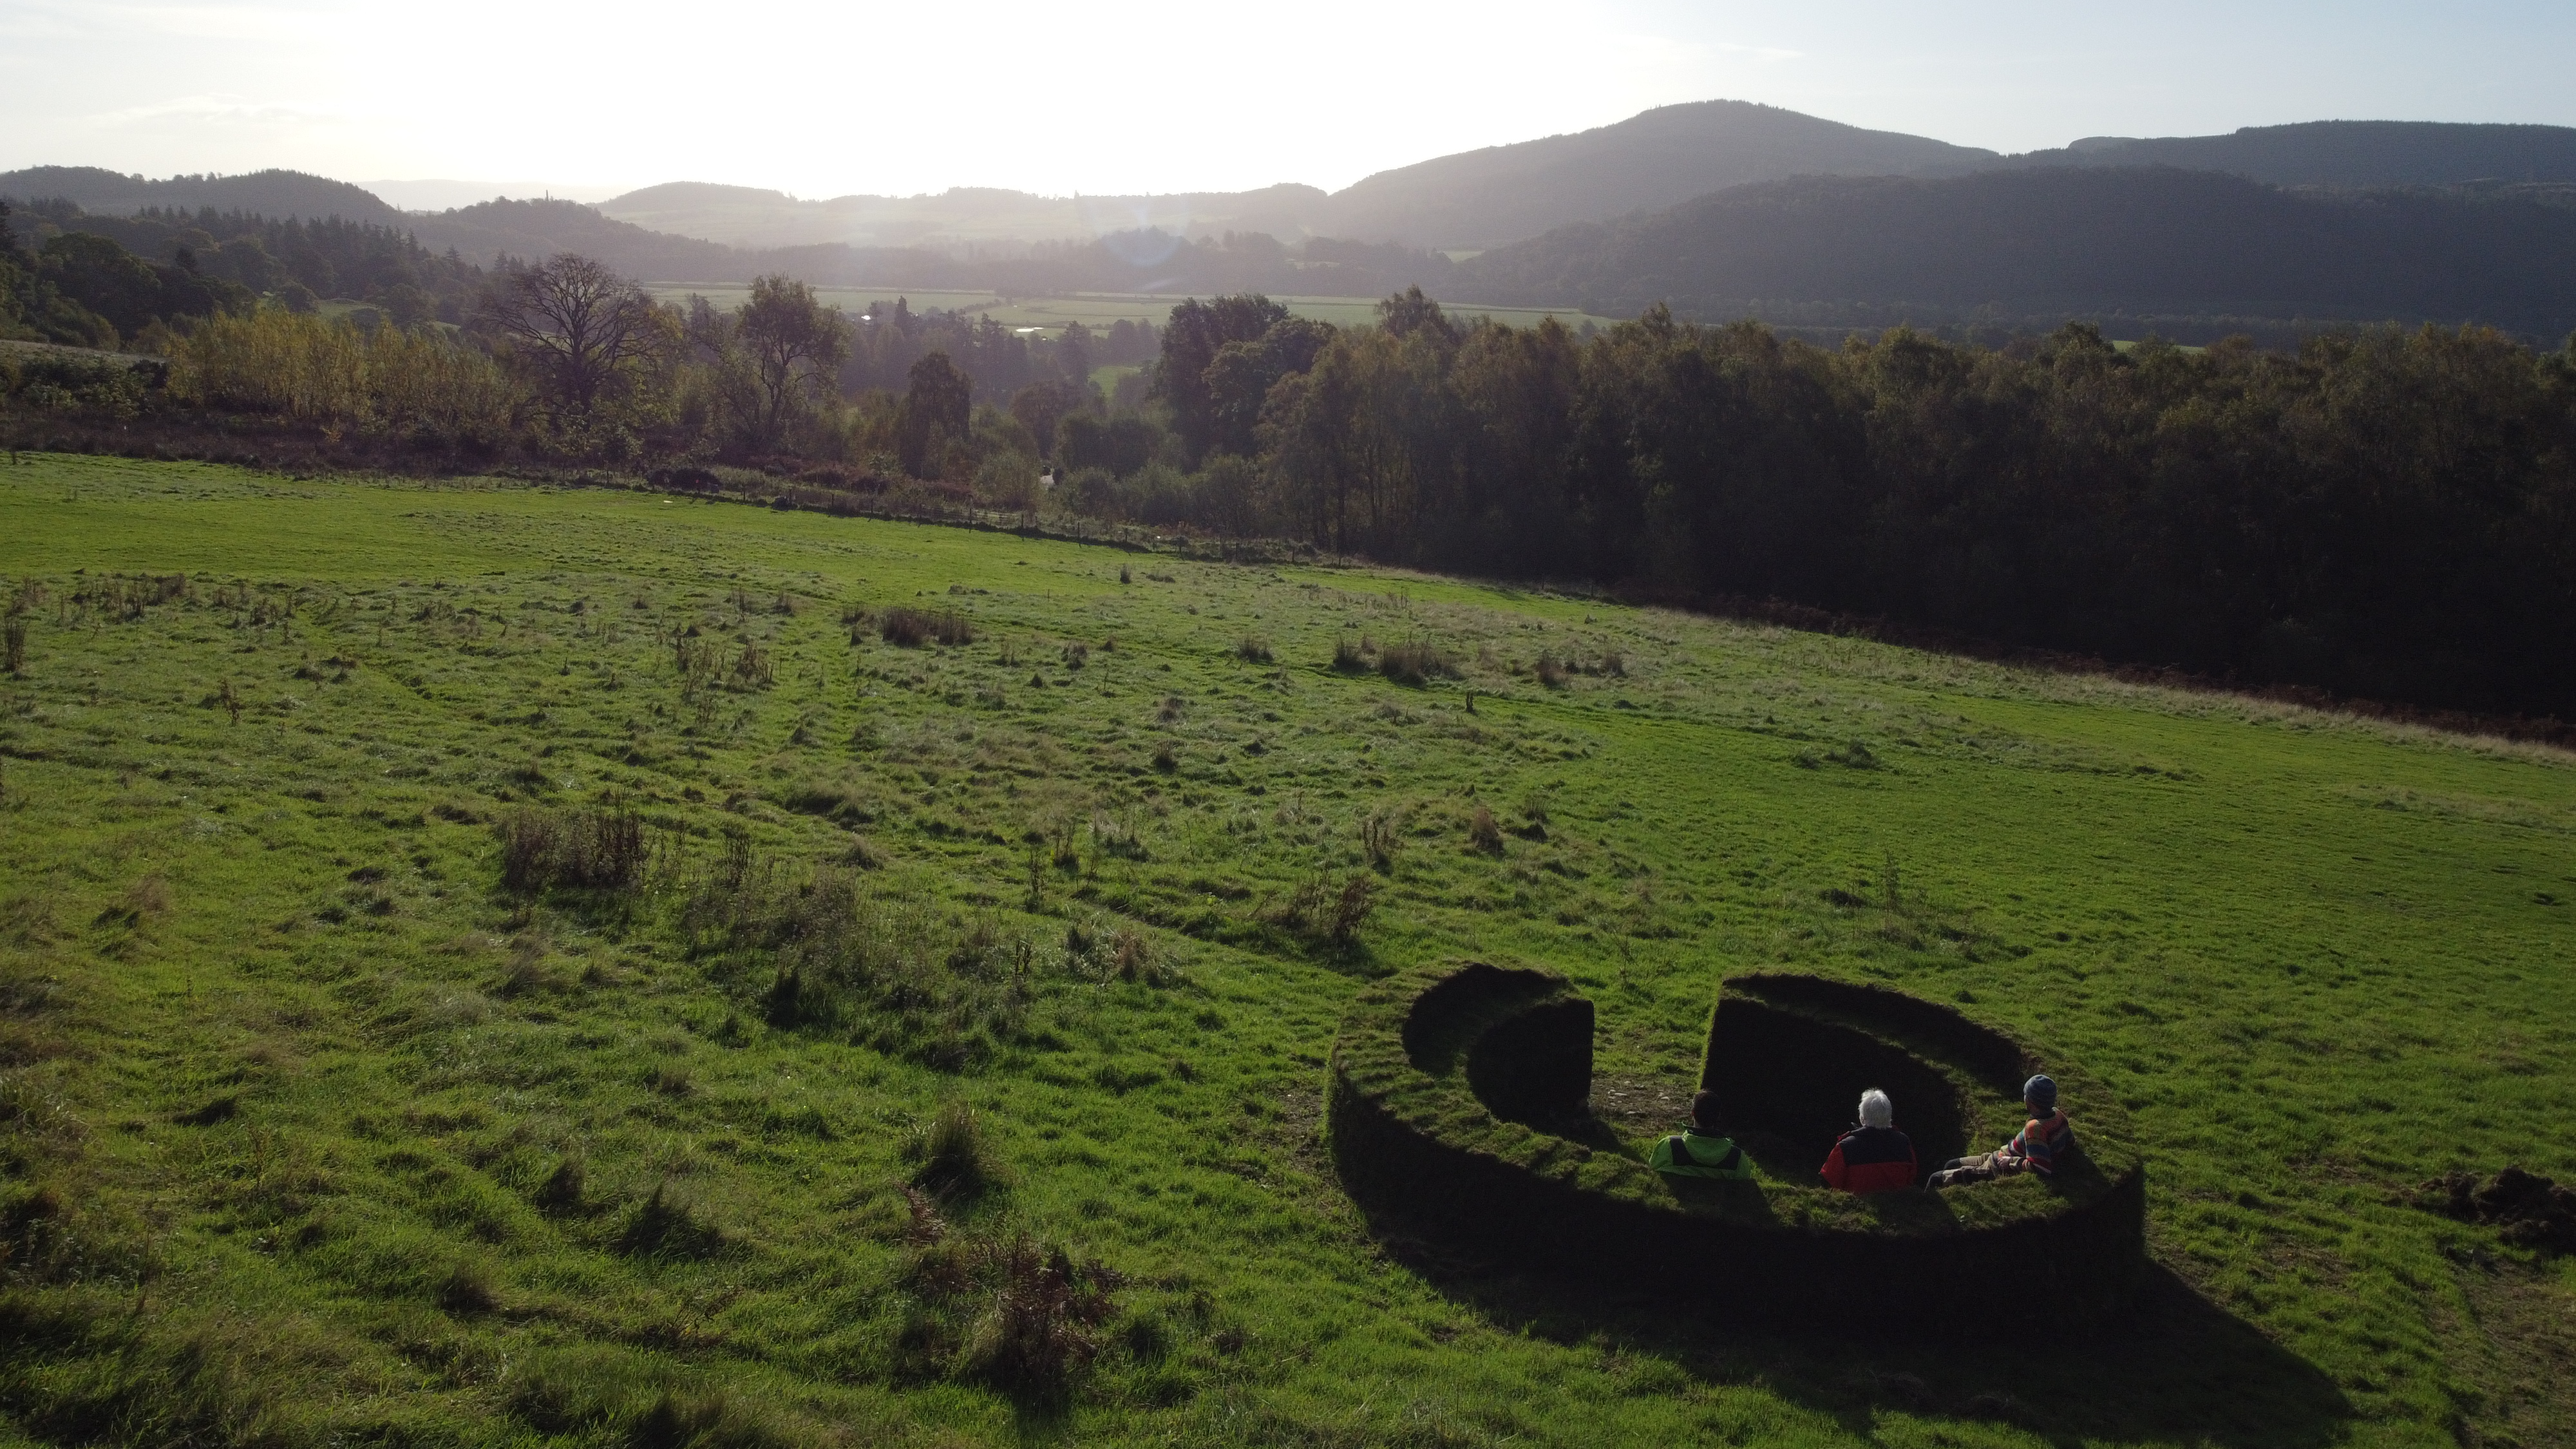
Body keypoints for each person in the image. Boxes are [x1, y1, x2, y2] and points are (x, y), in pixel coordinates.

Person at [1930, 1075, 2075, 1188]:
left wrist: (2011, 1161)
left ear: (2030, 1101)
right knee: (1951, 1164)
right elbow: (2070, 1141)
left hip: (1995, 1168)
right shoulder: (2057, 1114)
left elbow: (2041, 1168)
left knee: (1936, 1179)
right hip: (1994, 1156)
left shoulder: (2036, 1128)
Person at [1819, 1088, 1917, 1193]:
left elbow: (1828, 1182)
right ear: (1889, 1116)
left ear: (1862, 1118)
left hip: (1856, 1207)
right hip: (1897, 1206)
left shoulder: (1846, 1146)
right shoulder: (1904, 1142)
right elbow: (1911, 1177)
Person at [1650, 1090, 1755, 1180]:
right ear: (1718, 1116)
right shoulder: (1737, 1158)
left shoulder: (1670, 1146)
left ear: (1693, 1113)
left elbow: (1652, 1172)